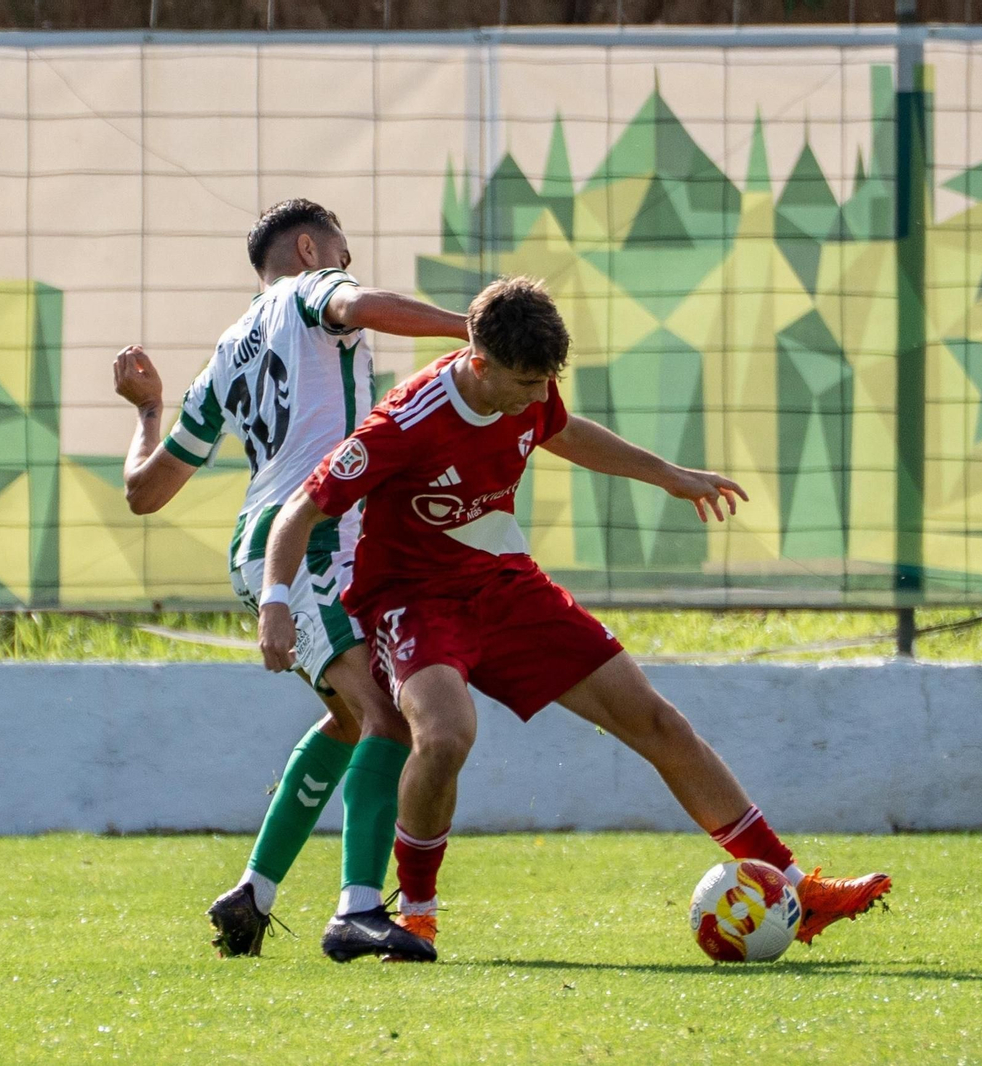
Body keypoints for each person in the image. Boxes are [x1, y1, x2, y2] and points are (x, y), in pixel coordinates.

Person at [256, 276, 891, 960]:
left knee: (655, 720)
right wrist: (275, 602)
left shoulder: (532, 392)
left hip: (506, 587)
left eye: (545, 382)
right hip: (413, 599)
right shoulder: (404, 423)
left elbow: (562, 431)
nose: (537, 397)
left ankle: (796, 887)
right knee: (443, 736)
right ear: (479, 362)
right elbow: (301, 510)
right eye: (526, 382)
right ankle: (415, 915)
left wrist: (668, 475)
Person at [113, 198, 468, 962]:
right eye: (340, 252)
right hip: (310, 536)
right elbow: (359, 302)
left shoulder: (224, 355)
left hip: (263, 539)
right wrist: (471, 328)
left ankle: (253, 893)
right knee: (391, 718)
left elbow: (145, 490)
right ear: (309, 250)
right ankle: (361, 909)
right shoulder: (309, 293)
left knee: (348, 720)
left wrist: (148, 411)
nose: (346, 266)